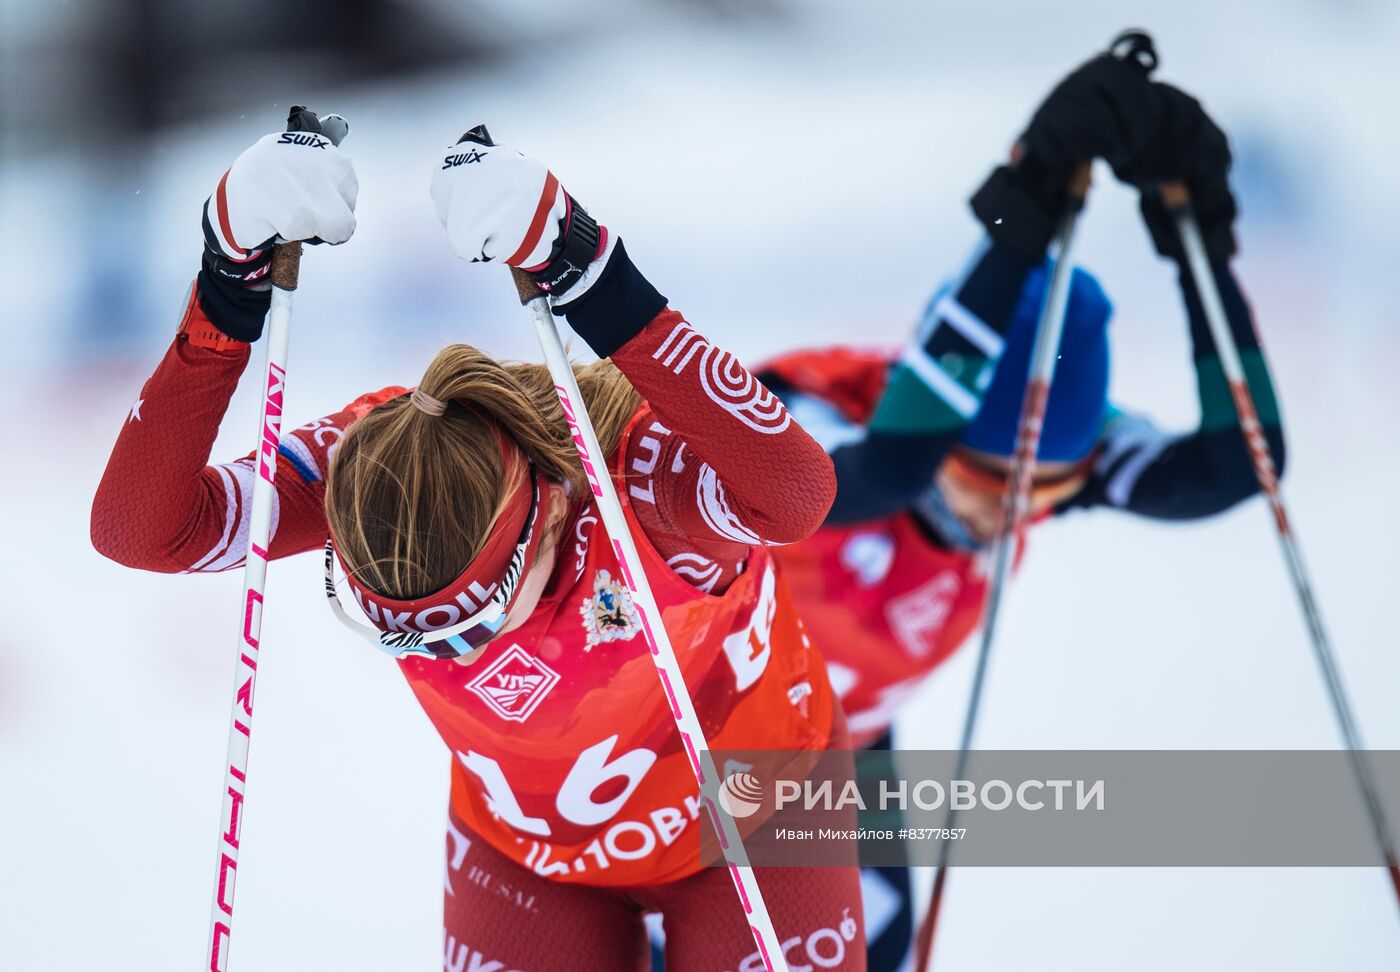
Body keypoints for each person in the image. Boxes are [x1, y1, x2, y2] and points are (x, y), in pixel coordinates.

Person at [91, 112, 867, 971]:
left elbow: (798, 492)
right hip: (525, 853)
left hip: (756, 823)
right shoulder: (372, 459)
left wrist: (587, 270)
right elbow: (142, 531)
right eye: (402, 631)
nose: (456, 656)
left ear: (544, 523)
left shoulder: (636, 492)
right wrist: (225, 291)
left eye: (468, 624)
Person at [758, 39, 1286, 971]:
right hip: (680, 748)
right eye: (988, 478)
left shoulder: (1041, 461)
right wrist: (1026, 200)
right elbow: (888, 469)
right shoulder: (817, 418)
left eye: (1051, 491)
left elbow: (1239, 463)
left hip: (842, 754)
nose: (1013, 512)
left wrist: (1196, 236)